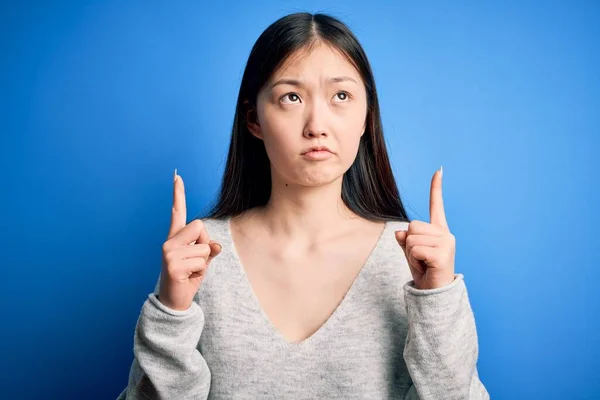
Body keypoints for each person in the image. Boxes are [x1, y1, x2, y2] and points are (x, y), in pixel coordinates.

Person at [118, 12, 489, 400]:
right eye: (291, 97)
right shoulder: (198, 257)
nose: (317, 125)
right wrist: (170, 312)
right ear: (254, 119)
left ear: (366, 117)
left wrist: (438, 299)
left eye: (341, 96)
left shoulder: (411, 261)